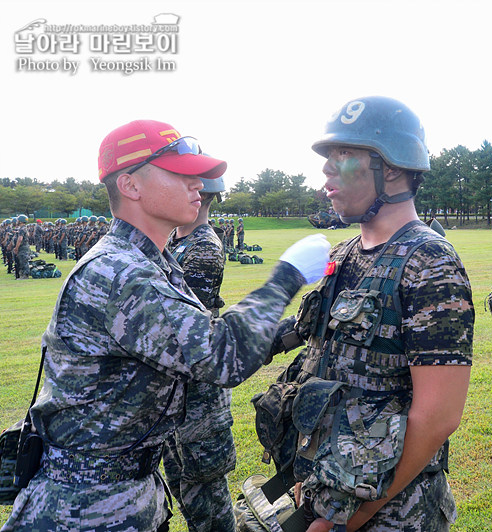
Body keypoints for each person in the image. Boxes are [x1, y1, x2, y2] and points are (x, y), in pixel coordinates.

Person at [1, 119, 331, 532]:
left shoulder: (149, 262)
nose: (199, 185)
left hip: (119, 489)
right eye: (181, 173)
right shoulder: (120, 272)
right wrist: (287, 276)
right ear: (131, 186)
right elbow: (219, 355)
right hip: (86, 508)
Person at [292, 96, 474, 532]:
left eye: (345, 154)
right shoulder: (346, 254)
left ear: (390, 168)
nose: (327, 170)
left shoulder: (430, 263)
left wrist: (349, 519)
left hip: (394, 512)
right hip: (330, 483)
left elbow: (437, 417)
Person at [163, 175, 235, 531]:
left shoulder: (203, 247)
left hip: (198, 395)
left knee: (206, 497)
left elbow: (181, 327)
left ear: (201, 194)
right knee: (180, 482)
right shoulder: (175, 243)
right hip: (176, 390)